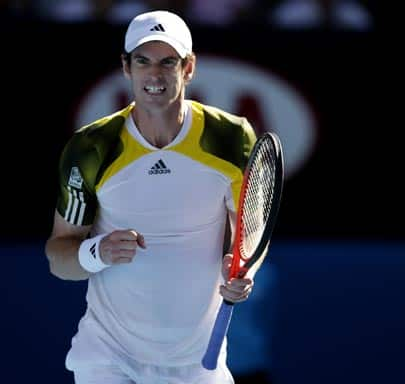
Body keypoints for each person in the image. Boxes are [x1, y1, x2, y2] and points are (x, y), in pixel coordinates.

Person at [45, 10, 262, 384]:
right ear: (126, 68)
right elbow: (59, 257)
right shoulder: (92, 148)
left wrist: (244, 272)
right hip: (107, 356)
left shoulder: (232, 138)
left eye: (168, 62)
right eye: (143, 61)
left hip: (198, 364)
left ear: (189, 67)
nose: (155, 75)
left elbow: (251, 234)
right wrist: (96, 252)